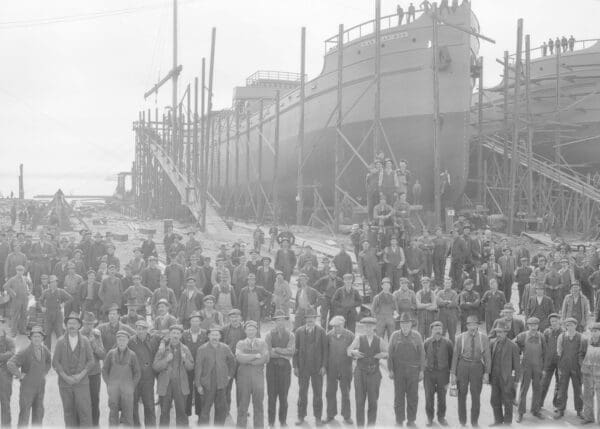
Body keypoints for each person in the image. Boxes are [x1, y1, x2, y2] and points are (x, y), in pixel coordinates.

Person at [52, 311, 94, 427]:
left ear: (79, 326)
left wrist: (81, 375)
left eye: (74, 323)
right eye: (69, 323)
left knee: (85, 411)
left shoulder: (85, 341)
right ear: (66, 325)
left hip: (82, 383)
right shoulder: (60, 342)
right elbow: (55, 362)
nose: (72, 326)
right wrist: (65, 377)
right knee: (69, 412)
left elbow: (91, 361)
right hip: (65, 384)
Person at [450, 315, 491, 427]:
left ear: (478, 325)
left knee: (476, 395)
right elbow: (455, 356)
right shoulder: (460, 337)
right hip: (463, 365)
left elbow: (487, 356)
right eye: (470, 325)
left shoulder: (484, 338)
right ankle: (462, 422)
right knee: (461, 395)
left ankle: (474, 422)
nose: (472, 327)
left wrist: (487, 372)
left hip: (477, 366)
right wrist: (453, 374)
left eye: (475, 324)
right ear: (467, 326)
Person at [7, 325, 50, 426]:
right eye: (34, 336)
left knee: (39, 413)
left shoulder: (45, 350)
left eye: (39, 336)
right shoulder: (25, 351)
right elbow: (10, 363)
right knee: (24, 414)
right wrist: (19, 374)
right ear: (30, 338)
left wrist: (44, 372)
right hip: (27, 389)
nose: (36, 339)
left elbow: (48, 361)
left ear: (42, 338)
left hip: (40, 387)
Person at [153, 324, 195, 426]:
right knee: (164, 413)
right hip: (165, 385)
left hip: (180, 385)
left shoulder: (185, 349)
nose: (175, 335)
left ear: (181, 335)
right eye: (173, 333)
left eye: (177, 333)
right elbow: (155, 366)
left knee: (182, 413)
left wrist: (185, 359)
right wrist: (166, 360)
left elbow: (191, 367)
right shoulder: (162, 349)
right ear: (170, 334)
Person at [195, 324, 236, 426]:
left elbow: (232, 361)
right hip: (207, 384)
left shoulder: (225, 348)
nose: (214, 337)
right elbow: (198, 368)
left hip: (221, 383)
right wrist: (198, 385)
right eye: (212, 335)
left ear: (220, 337)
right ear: (208, 336)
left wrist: (230, 375)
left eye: (217, 335)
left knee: (221, 409)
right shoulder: (202, 349)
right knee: (204, 410)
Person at [387, 312, 423, 427]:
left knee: (413, 396)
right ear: (400, 324)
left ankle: (411, 420)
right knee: (399, 396)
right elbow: (390, 354)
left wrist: (422, 371)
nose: (405, 326)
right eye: (403, 323)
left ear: (411, 324)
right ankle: (399, 420)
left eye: (407, 323)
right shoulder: (394, 336)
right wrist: (391, 369)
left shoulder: (417, 336)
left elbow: (422, 354)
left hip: (413, 372)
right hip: (399, 372)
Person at [294, 307, 327, 426]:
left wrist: (324, 366)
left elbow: (325, 351)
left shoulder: (321, 331)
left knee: (318, 393)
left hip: (317, 369)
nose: (310, 320)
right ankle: (301, 416)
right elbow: (295, 350)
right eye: (308, 318)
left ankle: (318, 417)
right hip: (303, 368)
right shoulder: (299, 331)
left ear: (315, 319)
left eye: (312, 318)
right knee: (302, 393)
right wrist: (295, 366)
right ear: (305, 319)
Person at [102, 330, 141, 426]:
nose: (121, 342)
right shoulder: (111, 353)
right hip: (114, 390)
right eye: (119, 340)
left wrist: (132, 386)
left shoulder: (132, 355)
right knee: (113, 414)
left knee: (128, 415)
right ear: (117, 341)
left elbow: (137, 373)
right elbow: (104, 370)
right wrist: (109, 384)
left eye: (124, 340)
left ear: (128, 341)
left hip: (127, 390)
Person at [236, 320, 269, 429]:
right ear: (245, 331)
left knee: (258, 405)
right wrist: (255, 356)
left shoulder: (262, 343)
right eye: (248, 329)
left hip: (257, 379)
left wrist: (248, 360)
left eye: (253, 329)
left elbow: (265, 358)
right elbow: (239, 358)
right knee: (242, 406)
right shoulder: (240, 343)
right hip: (244, 379)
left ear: (256, 330)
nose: (251, 331)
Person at [265, 310, 295, 427]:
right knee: (271, 397)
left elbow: (291, 352)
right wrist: (284, 354)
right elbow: (268, 353)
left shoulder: (291, 335)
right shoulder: (269, 334)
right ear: (275, 322)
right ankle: (271, 422)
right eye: (278, 320)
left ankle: (283, 421)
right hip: (271, 368)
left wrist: (276, 349)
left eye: (282, 320)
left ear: (285, 321)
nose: (280, 322)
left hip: (285, 369)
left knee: (284, 396)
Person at [128, 319, 160, 427]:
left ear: (147, 330)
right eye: (138, 329)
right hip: (134, 379)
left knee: (149, 406)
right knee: (133, 405)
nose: (140, 331)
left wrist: (163, 343)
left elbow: (166, 337)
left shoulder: (153, 339)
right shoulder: (131, 341)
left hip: (148, 379)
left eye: (142, 329)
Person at [488, 321, 520, 426]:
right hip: (494, 377)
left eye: (501, 332)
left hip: (506, 378)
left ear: (506, 333)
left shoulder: (513, 346)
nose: (499, 334)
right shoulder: (493, 343)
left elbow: (517, 365)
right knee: (494, 400)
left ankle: (507, 422)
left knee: (507, 401)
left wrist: (515, 380)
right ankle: (498, 420)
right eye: (497, 332)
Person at [514, 317, 546, 422]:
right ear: (528, 326)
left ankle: (535, 410)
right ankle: (520, 412)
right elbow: (513, 345)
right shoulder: (522, 336)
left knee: (537, 389)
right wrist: (518, 355)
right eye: (531, 325)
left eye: (535, 325)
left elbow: (545, 353)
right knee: (524, 389)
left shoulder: (541, 336)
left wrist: (544, 368)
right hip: (526, 367)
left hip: (538, 367)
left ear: (538, 326)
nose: (533, 327)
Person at [323, 315, 354, 424]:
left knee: (345, 392)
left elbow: (354, 352)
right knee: (330, 392)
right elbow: (325, 353)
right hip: (332, 368)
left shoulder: (350, 336)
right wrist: (324, 367)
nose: (337, 328)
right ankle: (330, 415)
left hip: (345, 368)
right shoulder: (328, 336)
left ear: (344, 324)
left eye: (339, 326)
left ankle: (346, 416)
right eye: (335, 326)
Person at [422, 321, 453, 426]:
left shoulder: (448, 343)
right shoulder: (426, 342)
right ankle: (429, 418)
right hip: (429, 374)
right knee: (428, 397)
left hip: (443, 374)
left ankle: (441, 417)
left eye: (439, 329)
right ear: (432, 331)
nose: (438, 331)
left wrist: (451, 374)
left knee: (442, 397)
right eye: (435, 329)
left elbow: (451, 359)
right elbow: (422, 358)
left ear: (442, 330)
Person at [554, 317, 584, 419]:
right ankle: (560, 410)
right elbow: (559, 351)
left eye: (571, 325)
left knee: (578, 390)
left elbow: (582, 353)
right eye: (567, 325)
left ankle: (580, 411)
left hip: (576, 367)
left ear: (576, 325)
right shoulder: (561, 337)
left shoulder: (581, 337)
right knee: (562, 389)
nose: (569, 327)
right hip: (564, 367)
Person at [79, 311, 105, 427]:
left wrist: (93, 343)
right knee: (81, 402)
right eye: (87, 323)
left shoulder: (97, 335)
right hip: (81, 374)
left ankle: (95, 425)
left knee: (95, 401)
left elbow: (102, 355)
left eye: (91, 324)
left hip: (94, 373)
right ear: (82, 323)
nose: (89, 326)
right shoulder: (77, 335)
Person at [182, 311, 208, 422]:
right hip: (188, 366)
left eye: (197, 321)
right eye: (193, 321)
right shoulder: (184, 334)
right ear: (190, 322)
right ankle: (186, 414)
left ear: (200, 322)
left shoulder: (205, 334)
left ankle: (200, 414)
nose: (195, 323)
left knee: (200, 389)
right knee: (187, 389)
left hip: (201, 367)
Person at [39, 274, 71, 350]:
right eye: (51, 282)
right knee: (47, 333)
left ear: (57, 283)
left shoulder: (61, 291)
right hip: (48, 314)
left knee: (59, 333)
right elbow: (40, 300)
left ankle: (62, 351)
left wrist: (63, 304)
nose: (53, 284)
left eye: (54, 282)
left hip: (57, 314)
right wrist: (42, 307)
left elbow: (70, 298)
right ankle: (47, 352)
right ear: (49, 283)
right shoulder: (46, 292)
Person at [540, 313, 562, 412]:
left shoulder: (564, 333)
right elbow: (543, 347)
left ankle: (556, 405)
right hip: (548, 362)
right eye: (552, 321)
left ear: (559, 321)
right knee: (544, 382)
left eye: (555, 321)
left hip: (560, 362)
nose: (554, 323)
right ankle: (539, 403)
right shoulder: (547, 332)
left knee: (559, 383)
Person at [5, 264, 30, 336]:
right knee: (15, 316)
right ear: (16, 271)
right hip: (16, 300)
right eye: (18, 270)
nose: (20, 272)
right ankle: (13, 332)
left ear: (23, 271)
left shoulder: (25, 278)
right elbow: (6, 286)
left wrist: (29, 291)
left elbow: (30, 284)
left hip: (25, 300)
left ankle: (23, 330)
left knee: (24, 315)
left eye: (21, 270)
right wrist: (12, 293)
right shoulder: (12, 279)